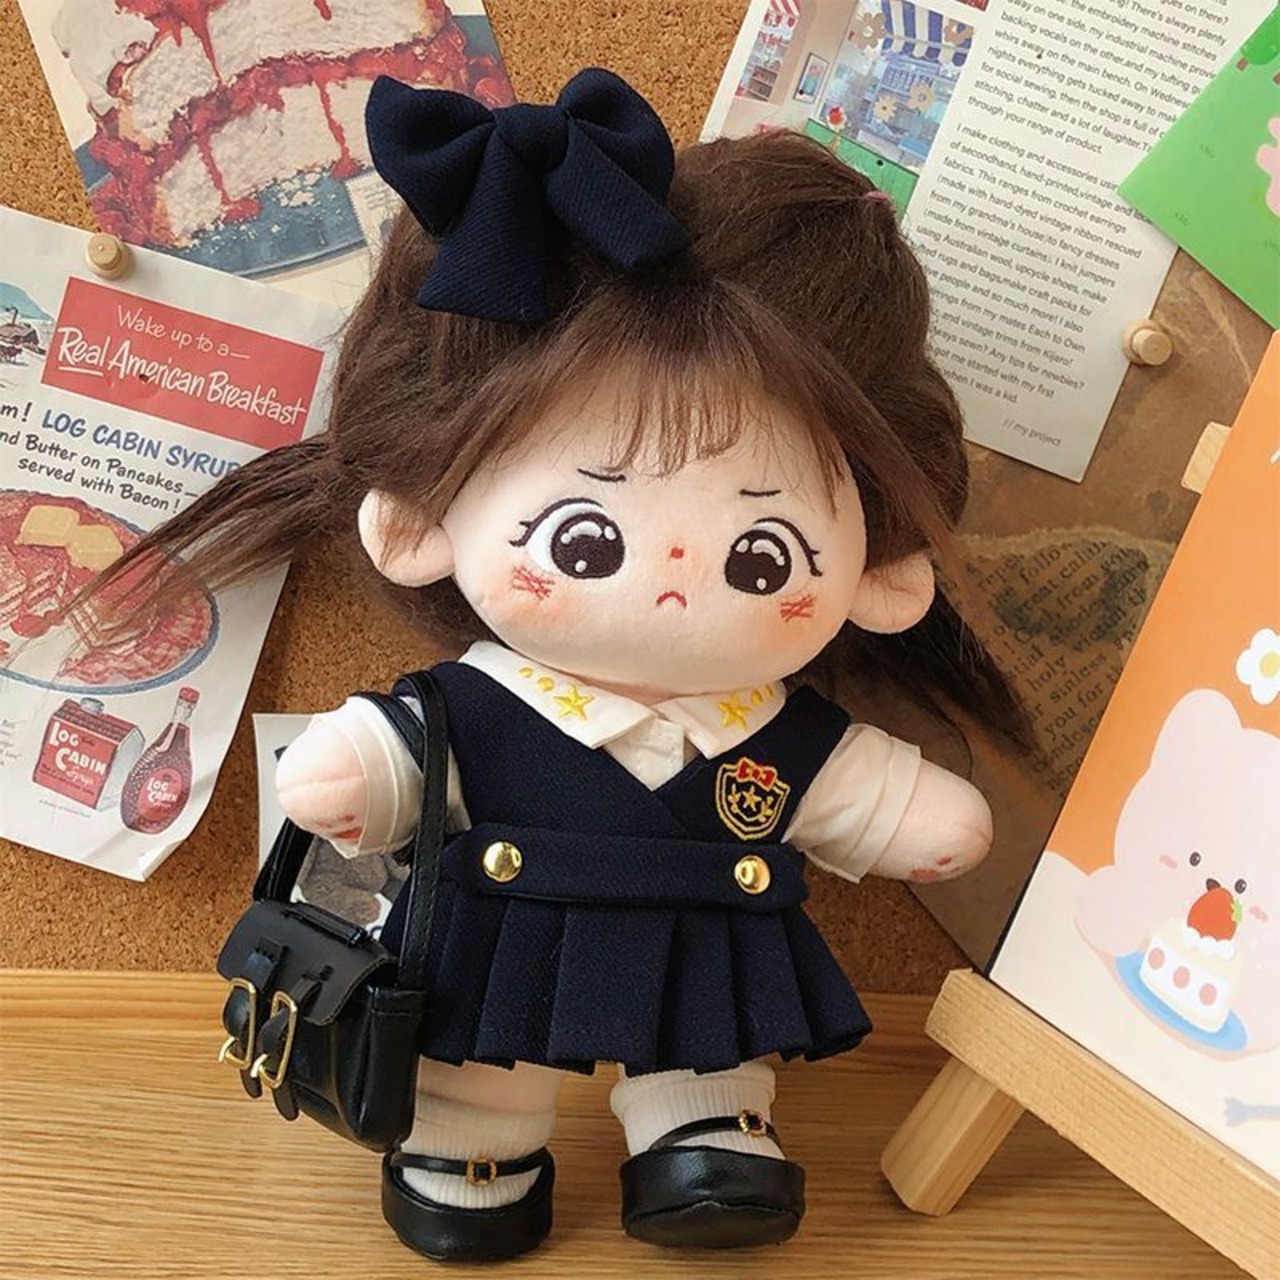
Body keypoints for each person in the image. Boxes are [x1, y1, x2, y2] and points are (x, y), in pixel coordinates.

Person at [96, 68, 1024, 1262]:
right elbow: (379, 759)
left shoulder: (773, 731)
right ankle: (472, 1147)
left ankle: (704, 1131)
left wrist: (915, 817)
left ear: (879, 575)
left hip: (702, 945)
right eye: (585, 539)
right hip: (504, 937)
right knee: (477, 1053)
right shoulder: (472, 712)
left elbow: (877, 798)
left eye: (759, 555)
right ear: (421, 525)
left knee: (707, 1030)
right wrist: (353, 771)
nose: (674, 584)